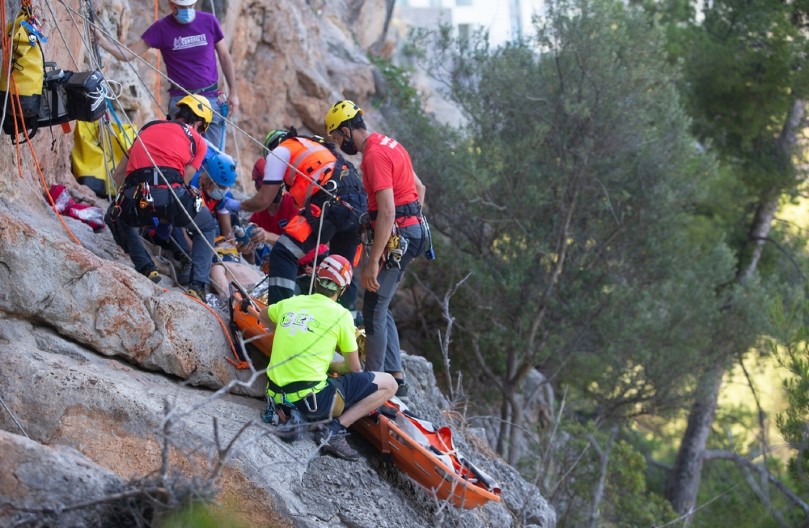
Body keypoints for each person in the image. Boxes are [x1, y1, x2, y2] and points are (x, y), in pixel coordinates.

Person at [324, 101, 427, 398]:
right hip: (412, 231)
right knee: (380, 301)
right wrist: (409, 224)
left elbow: (387, 211)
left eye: (337, 139)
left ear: (346, 130)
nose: (340, 146)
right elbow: (419, 190)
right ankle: (395, 374)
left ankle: (373, 383)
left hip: (403, 232)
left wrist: (372, 262)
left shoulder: (373, 156)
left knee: (373, 306)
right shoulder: (391, 144)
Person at [258, 255, 397, 461]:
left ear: (316, 280)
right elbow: (354, 368)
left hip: (276, 397)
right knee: (390, 383)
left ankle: (293, 416)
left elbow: (263, 316)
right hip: (313, 402)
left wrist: (287, 331)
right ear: (342, 290)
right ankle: (334, 430)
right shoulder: (341, 315)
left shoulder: (291, 303)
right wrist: (334, 366)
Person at [224, 128, 367, 312]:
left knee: (283, 253)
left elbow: (263, 200)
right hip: (358, 206)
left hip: (331, 203)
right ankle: (343, 324)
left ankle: (278, 318)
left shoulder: (279, 152)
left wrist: (234, 205)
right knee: (340, 270)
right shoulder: (314, 146)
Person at [109, 94, 216, 301]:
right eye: (202, 128)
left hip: (137, 193)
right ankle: (197, 286)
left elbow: (118, 174)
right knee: (207, 226)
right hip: (170, 194)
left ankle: (146, 267)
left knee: (116, 215)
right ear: (200, 122)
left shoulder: (148, 128)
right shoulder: (199, 142)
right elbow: (184, 178)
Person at [93, 0, 239, 149]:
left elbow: (224, 56)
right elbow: (128, 54)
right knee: (181, 155)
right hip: (182, 101)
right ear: (171, 5)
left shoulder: (209, 21)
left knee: (215, 161)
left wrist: (233, 92)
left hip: (211, 99)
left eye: (190, 6)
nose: (187, 10)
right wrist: (103, 42)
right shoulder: (161, 28)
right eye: (183, 7)